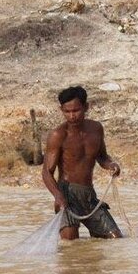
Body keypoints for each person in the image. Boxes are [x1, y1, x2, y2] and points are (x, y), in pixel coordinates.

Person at [42, 85, 123, 240]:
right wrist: (58, 196)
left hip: (89, 196)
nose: (72, 116)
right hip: (67, 197)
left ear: (86, 107)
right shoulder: (58, 135)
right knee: (71, 246)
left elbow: (102, 157)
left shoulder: (96, 129)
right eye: (67, 111)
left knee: (115, 238)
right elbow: (46, 172)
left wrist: (112, 165)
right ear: (62, 110)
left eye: (76, 110)